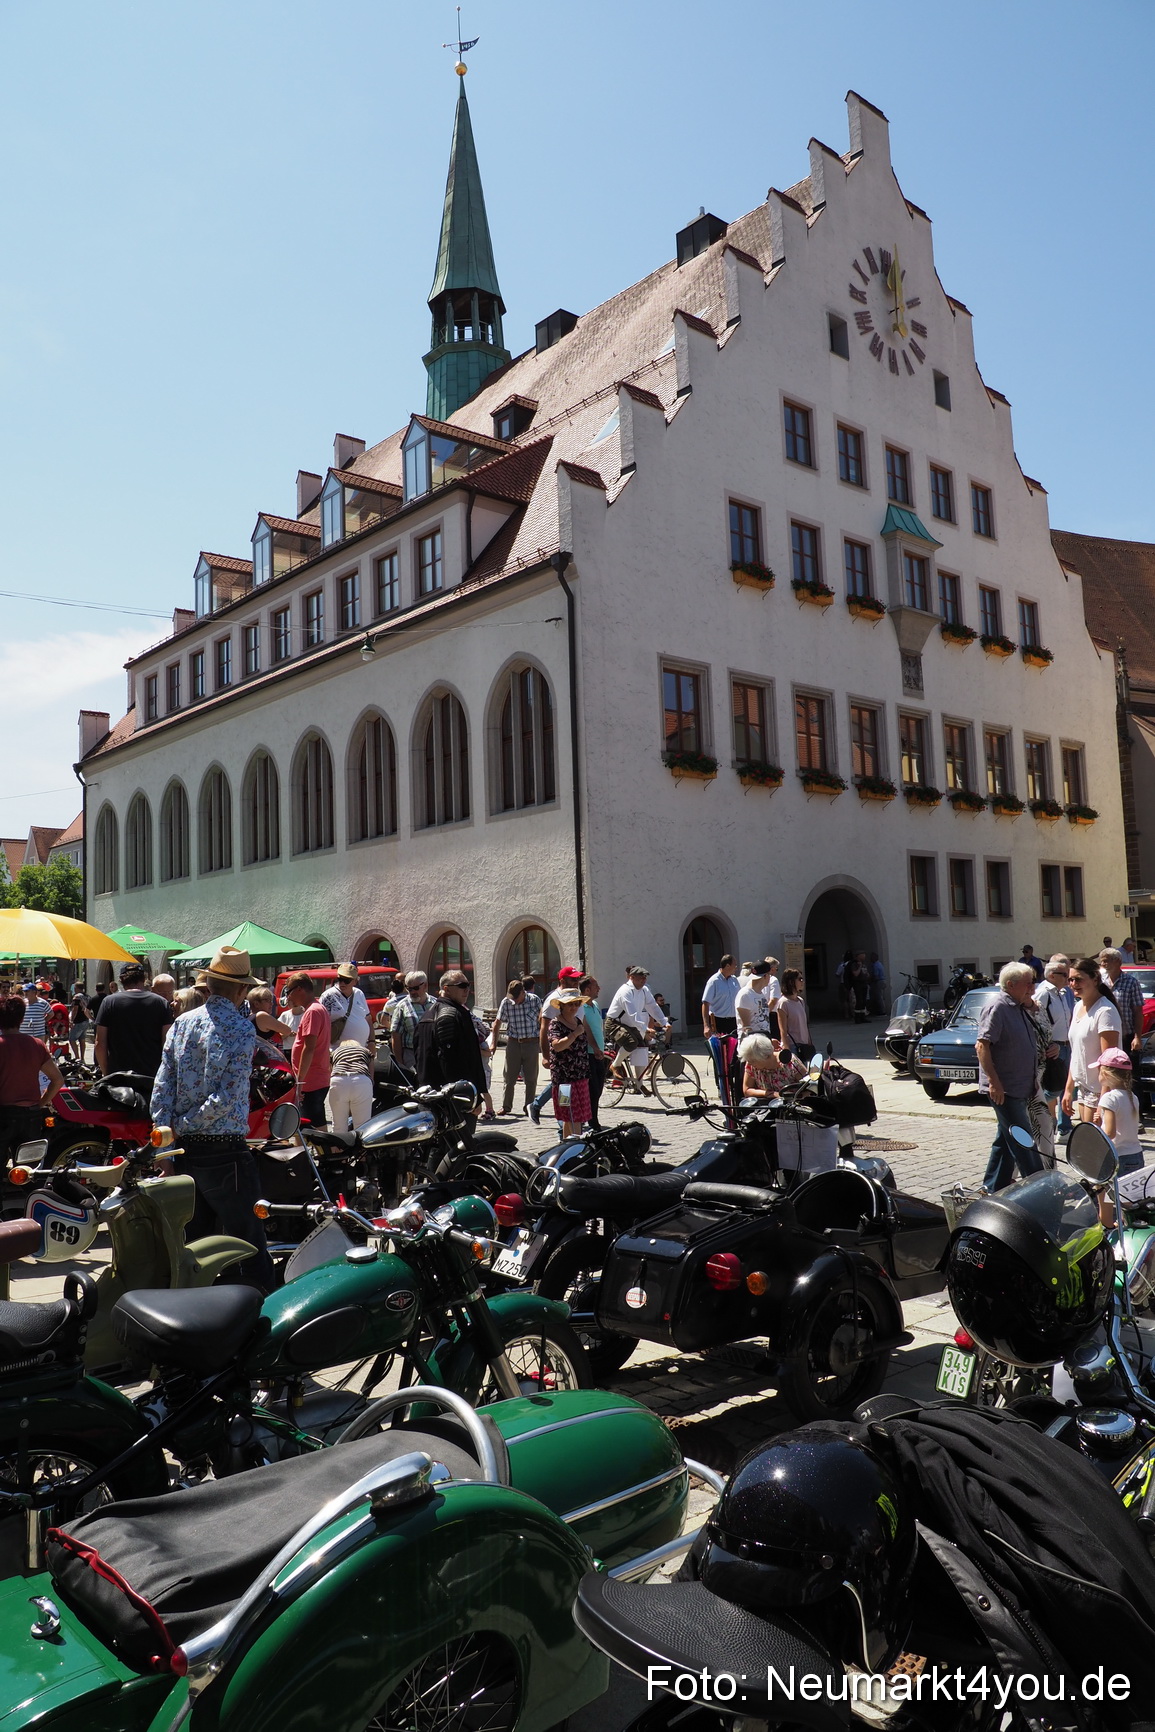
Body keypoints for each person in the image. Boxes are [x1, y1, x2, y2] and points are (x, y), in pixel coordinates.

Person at [149, 945, 273, 1292]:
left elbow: (162, 1087)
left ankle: (191, 1316)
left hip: (184, 1150)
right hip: (223, 1151)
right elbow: (228, 1095)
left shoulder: (183, 1023)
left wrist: (167, 1141)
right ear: (242, 989)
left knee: (194, 1245)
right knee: (247, 1243)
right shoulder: (241, 1029)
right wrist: (185, 1125)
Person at [975, 961, 1050, 1193]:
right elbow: (982, 1046)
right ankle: (1040, 1189)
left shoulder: (1018, 1005)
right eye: (1028, 983)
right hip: (1004, 1088)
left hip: (1021, 1085)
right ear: (1010, 984)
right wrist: (994, 1082)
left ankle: (991, 1189)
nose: (1033, 987)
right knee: (1023, 1139)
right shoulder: (997, 1006)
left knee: (1005, 1141)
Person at [0, 994, 64, 1167]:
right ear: (21, 1019)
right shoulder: (36, 1044)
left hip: (4, 1114)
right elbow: (57, 1079)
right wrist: (42, 1103)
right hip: (31, 1115)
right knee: (29, 1172)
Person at [1063, 957, 1123, 1126]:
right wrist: (1068, 1090)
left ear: (1095, 979)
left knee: (1094, 1147)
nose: (1073, 983)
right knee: (1087, 1146)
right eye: (1071, 979)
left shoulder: (1105, 1011)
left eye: (1079, 979)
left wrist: (1103, 1100)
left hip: (1100, 1090)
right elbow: (1076, 1053)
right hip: (1083, 1087)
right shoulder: (1077, 1007)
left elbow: (1109, 1062)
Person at [94, 961, 173, 1080]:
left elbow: (99, 1044)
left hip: (119, 1075)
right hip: (152, 1075)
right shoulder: (161, 1003)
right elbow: (167, 1043)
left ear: (121, 980)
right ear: (144, 978)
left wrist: (107, 1073)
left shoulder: (109, 1002)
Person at [415, 970, 487, 1096]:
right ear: (446, 989)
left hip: (435, 1093)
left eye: (468, 985)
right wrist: (468, 1095)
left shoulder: (433, 1013)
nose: (467, 990)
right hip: (450, 1096)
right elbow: (451, 1061)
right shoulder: (449, 1016)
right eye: (462, 986)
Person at [606, 964, 668, 1087]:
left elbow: (653, 1007)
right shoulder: (625, 991)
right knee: (631, 1042)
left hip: (631, 1024)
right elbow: (633, 1014)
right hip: (614, 1023)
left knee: (642, 1047)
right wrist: (645, 1029)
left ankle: (639, 1083)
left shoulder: (644, 990)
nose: (644, 980)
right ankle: (615, 1065)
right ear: (631, 977)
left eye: (645, 978)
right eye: (641, 978)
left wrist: (664, 1021)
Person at [1034, 956, 1075, 1135]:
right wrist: (1048, 1044)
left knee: (1068, 1090)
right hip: (1053, 1048)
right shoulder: (1043, 992)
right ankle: (1039, 1119)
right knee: (1054, 1088)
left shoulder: (1062, 992)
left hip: (1066, 1045)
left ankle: (1064, 1128)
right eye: (1065, 975)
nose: (1069, 979)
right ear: (1051, 975)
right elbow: (1036, 1021)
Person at [285, 972, 332, 1128]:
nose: (288, 997)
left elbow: (309, 1047)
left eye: (288, 992)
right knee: (304, 1126)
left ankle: (327, 1152)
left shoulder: (312, 1011)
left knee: (316, 1129)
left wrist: (299, 1080)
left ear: (299, 989)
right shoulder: (317, 1008)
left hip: (311, 1080)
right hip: (315, 1078)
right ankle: (306, 1152)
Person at [491, 980, 540, 1117]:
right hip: (513, 1043)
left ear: (523, 992)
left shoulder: (534, 1000)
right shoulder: (506, 1002)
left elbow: (543, 1020)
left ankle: (529, 1107)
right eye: (511, 998)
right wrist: (493, 1043)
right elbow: (497, 1023)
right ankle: (506, 1106)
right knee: (509, 1077)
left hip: (531, 1043)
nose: (514, 1001)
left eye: (516, 998)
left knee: (531, 1078)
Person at [1094, 1049, 1144, 1177]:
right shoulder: (1133, 1097)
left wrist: (1096, 1133)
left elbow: (1110, 1133)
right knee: (1132, 1196)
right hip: (1136, 1153)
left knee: (1103, 1184)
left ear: (1105, 1074)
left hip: (1118, 1155)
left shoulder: (1109, 1098)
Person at [548, 990, 591, 1139]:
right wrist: (574, 1034)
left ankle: (576, 1144)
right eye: (570, 1004)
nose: (574, 1007)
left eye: (576, 1004)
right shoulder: (555, 1023)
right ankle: (569, 1145)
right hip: (563, 1080)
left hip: (580, 1076)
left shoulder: (578, 1022)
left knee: (579, 1116)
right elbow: (557, 1046)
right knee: (568, 1115)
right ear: (561, 1005)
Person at [1100, 948, 1144, 1055]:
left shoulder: (1131, 982)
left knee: (1128, 1070)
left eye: (1106, 961)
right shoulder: (1100, 982)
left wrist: (1137, 1037)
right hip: (1105, 1035)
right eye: (1101, 961)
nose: (1103, 964)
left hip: (1126, 1036)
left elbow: (1138, 1012)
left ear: (1118, 961)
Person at [327, 1039, 375, 1133]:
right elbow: (371, 1071)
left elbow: (330, 1069)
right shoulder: (365, 1051)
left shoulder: (336, 1051)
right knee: (362, 1126)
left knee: (338, 1125)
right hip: (361, 1080)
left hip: (338, 1080)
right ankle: (360, 1146)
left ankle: (339, 1146)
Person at [737, 1032, 803, 1101]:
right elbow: (747, 1090)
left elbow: (807, 1085)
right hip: (766, 1106)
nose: (750, 1063)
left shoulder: (790, 1061)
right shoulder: (751, 1065)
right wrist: (770, 1094)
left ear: (765, 1056)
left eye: (753, 1061)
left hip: (792, 1103)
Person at [320, 964, 372, 1050]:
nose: (342, 983)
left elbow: (368, 1018)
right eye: (340, 979)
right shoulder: (327, 996)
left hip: (361, 1049)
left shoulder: (359, 993)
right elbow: (320, 1024)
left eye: (346, 980)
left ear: (355, 981)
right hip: (337, 1051)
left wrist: (372, 1042)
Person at [579, 973, 606, 1130]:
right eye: (596, 986)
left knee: (598, 1089)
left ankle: (590, 1118)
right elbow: (585, 1031)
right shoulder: (580, 1007)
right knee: (593, 1090)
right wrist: (595, 1047)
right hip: (588, 1053)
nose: (599, 989)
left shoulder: (594, 1006)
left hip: (599, 1053)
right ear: (587, 990)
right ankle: (592, 1121)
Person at [389, 971, 430, 1074]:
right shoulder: (401, 1007)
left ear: (425, 986)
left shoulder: (435, 1004)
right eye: (409, 988)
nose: (412, 992)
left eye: (416, 988)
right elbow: (396, 1036)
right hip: (411, 1055)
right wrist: (401, 1064)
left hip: (432, 1054)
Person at [776, 969, 814, 1061]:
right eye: (800, 979)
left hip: (804, 1045)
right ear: (790, 981)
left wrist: (809, 1042)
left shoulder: (800, 1001)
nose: (802, 982)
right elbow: (783, 1030)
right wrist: (786, 1047)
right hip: (793, 1045)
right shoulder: (783, 1003)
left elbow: (805, 1024)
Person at [701, 954, 740, 1039]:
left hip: (735, 1021)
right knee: (722, 1050)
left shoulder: (734, 980)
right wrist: (706, 1026)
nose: (736, 968)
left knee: (735, 1050)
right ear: (727, 966)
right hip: (719, 1022)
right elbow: (705, 1003)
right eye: (735, 965)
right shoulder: (714, 981)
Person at [247, 985, 294, 1050]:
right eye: (267, 1000)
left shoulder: (251, 1017)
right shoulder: (262, 1016)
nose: (271, 1004)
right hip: (267, 1059)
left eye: (271, 1000)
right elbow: (287, 1030)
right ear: (256, 1004)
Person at [470, 1005, 497, 1120]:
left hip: (484, 1070)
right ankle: (476, 1110)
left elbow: (488, 1053)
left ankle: (490, 1110)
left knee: (484, 1091)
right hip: (476, 1069)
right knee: (476, 1092)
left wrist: (478, 1050)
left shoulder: (482, 1044)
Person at [735, 961, 775, 1037]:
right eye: (770, 975)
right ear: (765, 976)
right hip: (751, 1045)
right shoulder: (745, 994)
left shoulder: (761, 994)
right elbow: (746, 1028)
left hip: (764, 1043)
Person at [845, 951, 872, 1023]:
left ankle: (863, 1016)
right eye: (862, 955)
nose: (864, 956)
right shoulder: (854, 964)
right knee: (859, 1000)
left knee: (863, 1001)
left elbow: (866, 974)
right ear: (858, 956)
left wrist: (867, 975)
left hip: (864, 983)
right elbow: (855, 974)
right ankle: (857, 1017)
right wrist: (859, 966)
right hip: (857, 984)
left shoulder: (863, 964)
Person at [68, 987, 92, 1061]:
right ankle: (82, 1058)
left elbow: (75, 1009)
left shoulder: (77, 997)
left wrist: (71, 1020)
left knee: (72, 1039)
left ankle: (77, 1057)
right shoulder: (88, 997)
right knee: (82, 1039)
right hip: (86, 1020)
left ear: (76, 988)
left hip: (78, 1021)